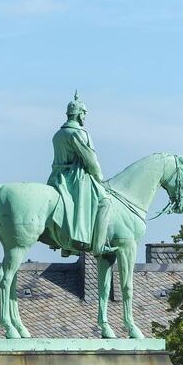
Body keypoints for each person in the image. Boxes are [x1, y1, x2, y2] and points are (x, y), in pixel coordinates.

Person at [47, 93, 111, 256]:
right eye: (84, 114)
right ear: (80, 113)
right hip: (75, 178)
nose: (85, 117)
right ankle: (99, 246)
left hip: (56, 177)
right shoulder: (79, 133)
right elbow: (90, 161)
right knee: (105, 201)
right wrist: (99, 178)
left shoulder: (58, 134)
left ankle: (66, 246)